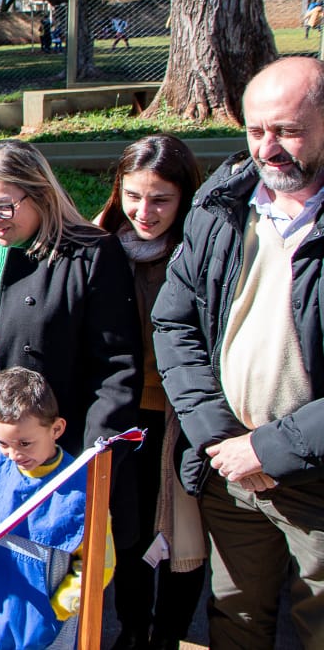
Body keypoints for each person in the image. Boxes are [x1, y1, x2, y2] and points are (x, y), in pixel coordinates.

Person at [152, 55, 324, 649]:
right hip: (233, 473)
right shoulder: (223, 207)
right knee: (237, 622)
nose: (268, 148)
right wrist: (221, 439)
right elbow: (174, 324)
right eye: (256, 130)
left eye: (289, 131)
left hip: (317, 481)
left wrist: (270, 448)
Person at [0, 140, 142, 455]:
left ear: (41, 196)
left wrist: (97, 454)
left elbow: (115, 368)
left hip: (53, 448)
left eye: (4, 207)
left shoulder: (92, 256)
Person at [94, 135, 205, 650]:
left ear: (184, 197)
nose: (145, 211)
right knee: (131, 532)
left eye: (161, 199)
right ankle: (133, 628)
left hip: (185, 414)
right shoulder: (101, 243)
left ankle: (170, 635)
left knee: (184, 535)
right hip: (125, 413)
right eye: (134, 195)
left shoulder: (203, 249)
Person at [0, 368, 114, 650]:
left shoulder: (82, 487)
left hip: (46, 621)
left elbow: (99, 563)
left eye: (24, 443)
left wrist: (61, 607)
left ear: (57, 429)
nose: (14, 455)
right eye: (3, 444)